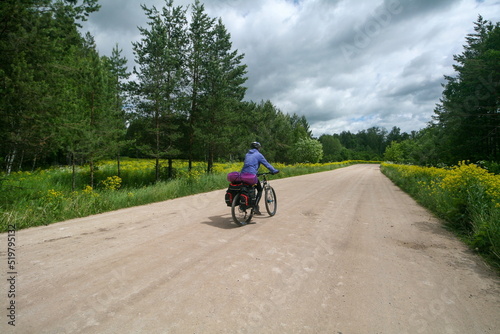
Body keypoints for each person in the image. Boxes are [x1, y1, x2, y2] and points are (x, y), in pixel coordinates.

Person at [241, 142, 279, 214]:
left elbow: (248, 165)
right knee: (259, 189)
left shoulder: (247, 154)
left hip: (243, 175)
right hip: (251, 175)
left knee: (247, 188)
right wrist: (274, 171)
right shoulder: (259, 155)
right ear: (258, 148)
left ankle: (244, 203)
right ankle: (255, 207)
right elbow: (267, 164)